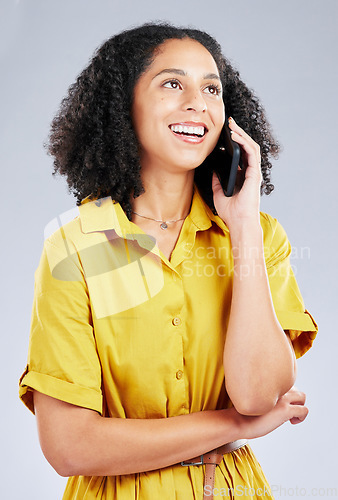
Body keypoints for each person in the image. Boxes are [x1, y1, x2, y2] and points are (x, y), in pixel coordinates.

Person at [19, 22, 318, 500]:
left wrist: (242, 228)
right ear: (124, 107)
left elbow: (259, 393)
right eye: (172, 83)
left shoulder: (258, 237)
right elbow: (70, 446)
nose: (197, 102)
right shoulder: (75, 247)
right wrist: (234, 424)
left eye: (212, 88)